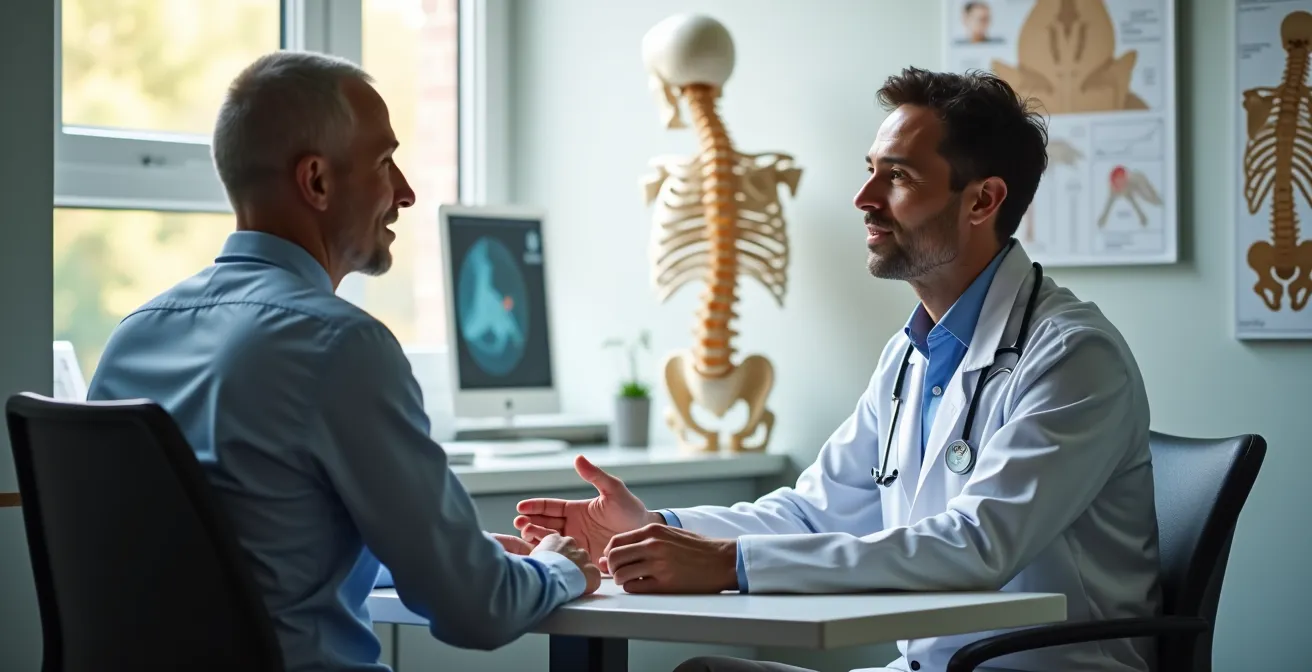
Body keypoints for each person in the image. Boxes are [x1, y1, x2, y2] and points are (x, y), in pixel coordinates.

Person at [513, 67, 1161, 672]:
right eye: (870, 170)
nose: (863, 197)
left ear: (982, 200)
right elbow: (811, 512)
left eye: (897, 177)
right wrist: (658, 528)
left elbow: (977, 543)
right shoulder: (910, 354)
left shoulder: (1073, 356)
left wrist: (732, 566)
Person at [86, 51, 600, 672]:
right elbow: (479, 611)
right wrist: (554, 567)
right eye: (385, 162)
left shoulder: (134, 336)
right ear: (318, 182)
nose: (406, 192)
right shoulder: (339, 346)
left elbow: (240, 548)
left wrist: (425, 553)